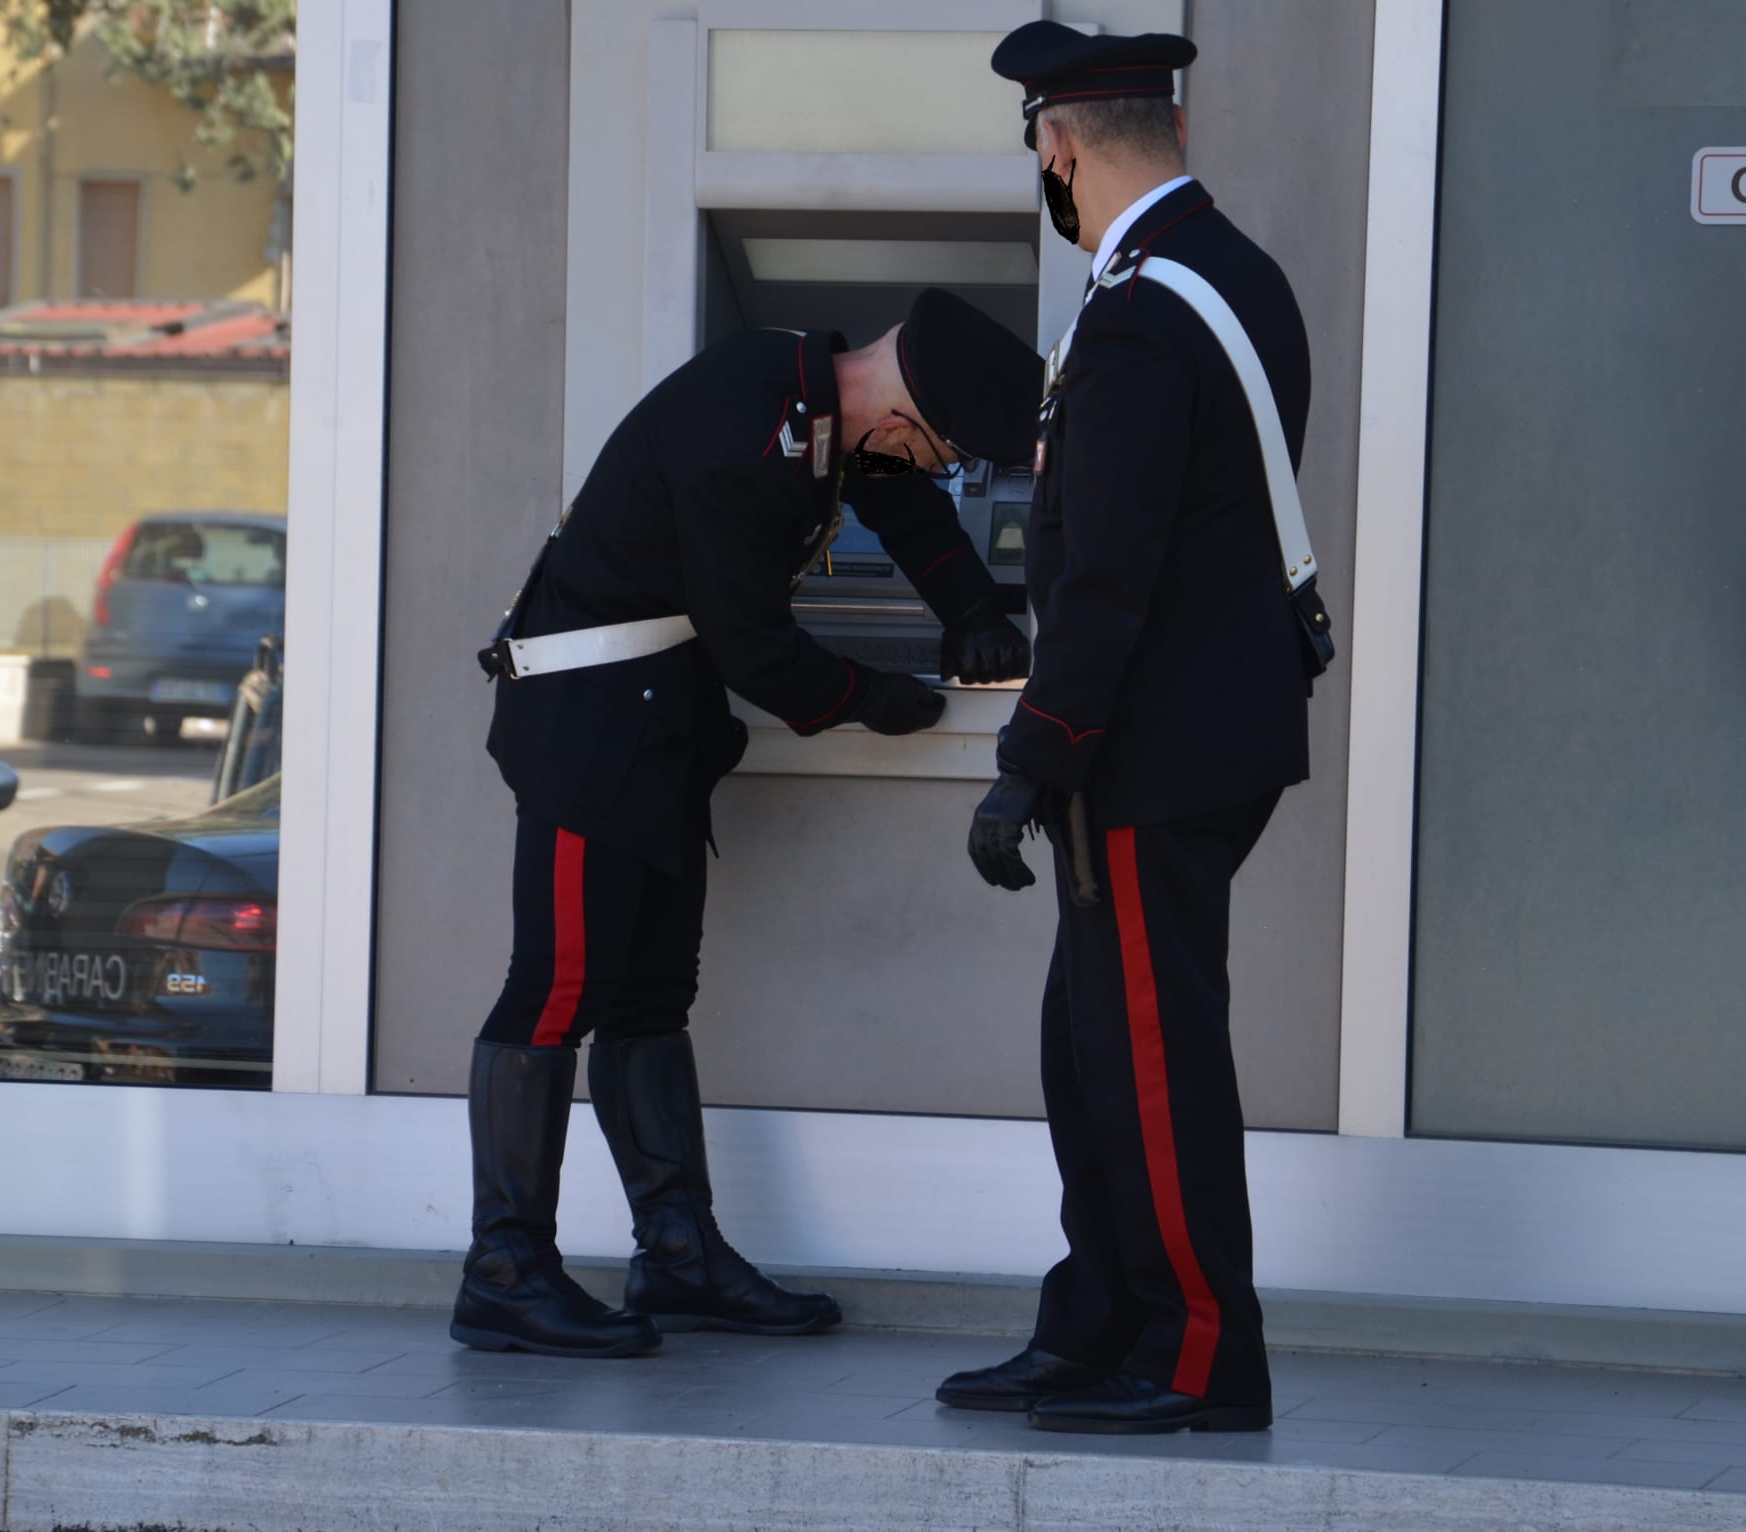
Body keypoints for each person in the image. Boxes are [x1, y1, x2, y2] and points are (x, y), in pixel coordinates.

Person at [455, 289, 1042, 1359]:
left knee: (648, 994)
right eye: (939, 449)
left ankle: (676, 1251)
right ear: (905, 418)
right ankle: (501, 1269)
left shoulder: (815, 398)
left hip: (658, 728)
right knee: (554, 987)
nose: (933, 468)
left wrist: (970, 606)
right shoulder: (747, 432)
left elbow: (897, 499)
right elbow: (750, 642)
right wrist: (869, 694)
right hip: (585, 728)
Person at [942, 22, 1317, 1434]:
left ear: (1060, 144)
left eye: (1043, 149)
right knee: (1095, 1042)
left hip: (1150, 752)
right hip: (1195, 732)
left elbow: (1111, 566)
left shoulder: (1143, 308)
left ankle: (1201, 1355)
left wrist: (1031, 756)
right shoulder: (1232, 275)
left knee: (1150, 1056)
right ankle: (1098, 1323)